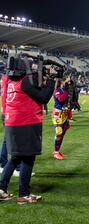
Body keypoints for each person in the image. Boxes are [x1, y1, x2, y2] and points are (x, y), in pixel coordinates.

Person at [0, 55, 56, 203]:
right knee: (28, 158)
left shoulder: (10, 80)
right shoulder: (25, 81)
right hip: (26, 122)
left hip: (12, 122)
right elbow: (43, 97)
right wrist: (51, 81)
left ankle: (1, 189)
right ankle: (24, 195)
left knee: (16, 157)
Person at [52, 77, 71, 160]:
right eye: (65, 80)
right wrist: (66, 93)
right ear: (62, 82)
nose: (67, 82)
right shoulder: (57, 90)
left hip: (63, 113)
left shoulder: (62, 90)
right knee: (59, 133)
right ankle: (56, 152)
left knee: (62, 133)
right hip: (57, 113)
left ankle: (57, 150)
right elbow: (61, 99)